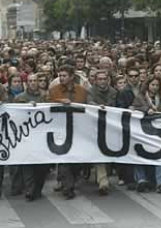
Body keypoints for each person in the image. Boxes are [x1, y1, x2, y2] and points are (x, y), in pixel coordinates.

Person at [47, 64, 88, 199]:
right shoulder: (54, 90)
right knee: (63, 158)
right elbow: (46, 105)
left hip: (78, 129)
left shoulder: (82, 91)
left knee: (76, 159)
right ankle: (67, 187)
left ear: (71, 77)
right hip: (60, 129)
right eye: (60, 76)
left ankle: (70, 180)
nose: (61, 78)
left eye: (64, 76)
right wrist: (59, 101)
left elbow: (88, 106)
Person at [130, 75, 161, 194]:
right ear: (147, 85)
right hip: (142, 131)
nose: (155, 87)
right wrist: (146, 110)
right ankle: (141, 179)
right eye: (153, 85)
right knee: (139, 154)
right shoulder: (140, 97)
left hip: (158, 132)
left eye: (157, 85)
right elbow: (133, 108)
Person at [14, 74, 49, 201]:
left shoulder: (46, 96)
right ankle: (29, 189)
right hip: (26, 134)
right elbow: (15, 115)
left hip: (42, 135)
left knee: (42, 166)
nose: (33, 83)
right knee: (27, 162)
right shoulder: (19, 98)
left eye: (35, 80)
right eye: (30, 81)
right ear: (26, 83)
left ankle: (38, 188)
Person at [86, 70, 117, 196]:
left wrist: (106, 107)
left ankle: (104, 176)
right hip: (94, 126)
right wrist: (97, 107)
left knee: (107, 153)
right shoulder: (90, 91)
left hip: (110, 126)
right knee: (99, 153)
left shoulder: (113, 92)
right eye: (100, 79)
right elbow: (89, 102)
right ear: (95, 80)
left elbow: (114, 104)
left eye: (105, 79)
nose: (102, 81)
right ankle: (103, 182)